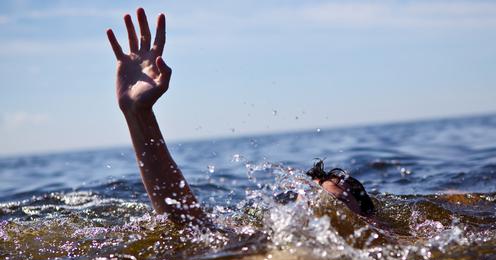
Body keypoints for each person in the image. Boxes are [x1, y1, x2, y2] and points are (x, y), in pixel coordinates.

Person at [106, 8, 375, 226]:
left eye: (335, 203)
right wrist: (138, 114)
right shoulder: (261, 243)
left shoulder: (382, 248)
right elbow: (187, 223)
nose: (317, 209)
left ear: (369, 221)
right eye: (310, 201)